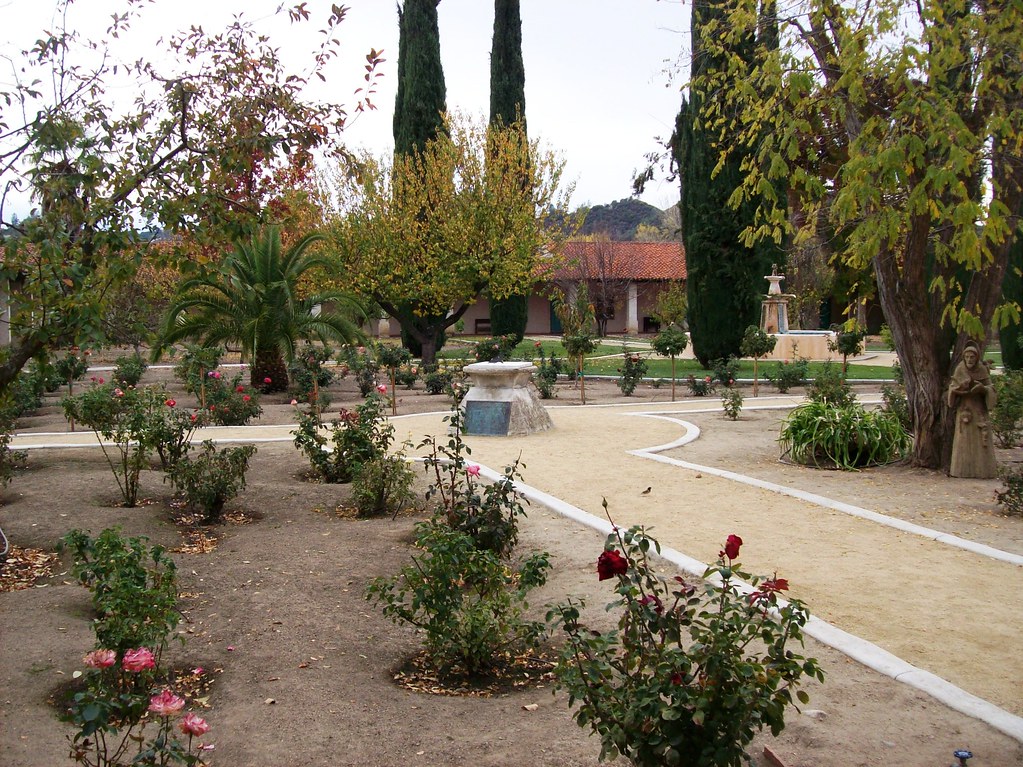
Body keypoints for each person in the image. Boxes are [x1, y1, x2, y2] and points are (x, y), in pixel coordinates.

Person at [946, 341, 998, 478]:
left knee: (981, 441)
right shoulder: (960, 369)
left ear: (977, 357)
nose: (969, 360)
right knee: (964, 441)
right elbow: (952, 388)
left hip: (979, 409)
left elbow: (991, 388)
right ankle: (961, 470)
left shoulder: (981, 369)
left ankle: (983, 471)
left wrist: (983, 389)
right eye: (967, 357)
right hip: (964, 409)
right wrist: (958, 389)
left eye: (972, 357)